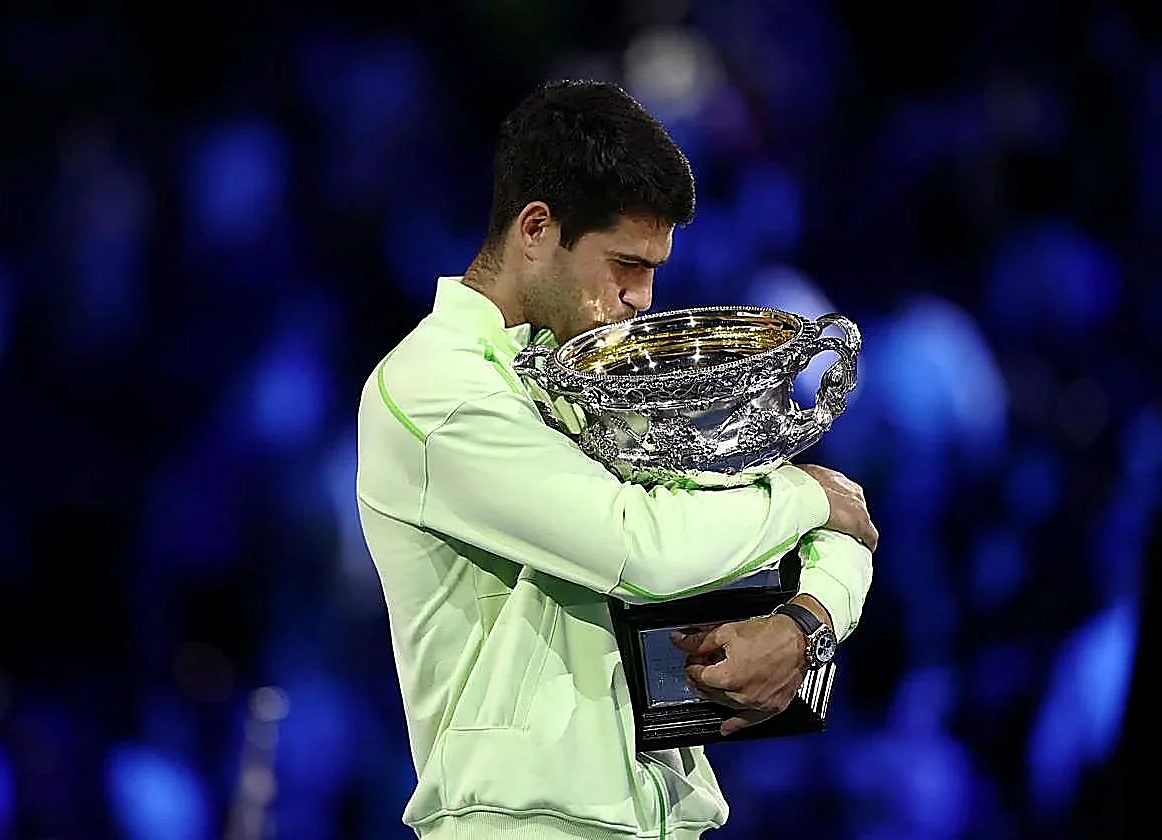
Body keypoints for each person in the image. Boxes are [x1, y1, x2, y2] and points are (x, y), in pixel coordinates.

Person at [356, 79, 877, 840]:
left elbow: (845, 525)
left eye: (654, 269)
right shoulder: (435, 388)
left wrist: (808, 623)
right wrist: (802, 495)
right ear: (537, 229)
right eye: (626, 264)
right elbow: (644, 550)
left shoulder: (606, 373)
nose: (642, 297)